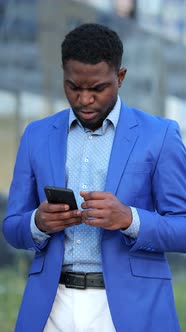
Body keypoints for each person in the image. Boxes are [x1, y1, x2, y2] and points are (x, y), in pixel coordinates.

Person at [2, 23, 186, 332]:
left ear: (120, 77)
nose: (84, 99)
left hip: (131, 308)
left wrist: (130, 219)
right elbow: (11, 227)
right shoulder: (36, 135)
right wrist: (38, 223)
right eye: (74, 87)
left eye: (97, 88)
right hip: (51, 305)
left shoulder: (160, 135)